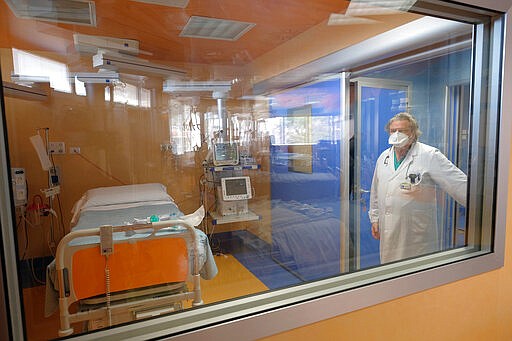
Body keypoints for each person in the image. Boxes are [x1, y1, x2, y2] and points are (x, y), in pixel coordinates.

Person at [368, 112, 467, 264]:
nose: (396, 134)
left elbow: (458, 183)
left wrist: (483, 207)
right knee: (390, 274)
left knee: (416, 275)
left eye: (402, 130)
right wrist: (375, 218)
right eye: (393, 130)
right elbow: (375, 191)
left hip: (417, 233)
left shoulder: (429, 155)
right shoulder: (384, 158)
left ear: (413, 133)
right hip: (388, 228)